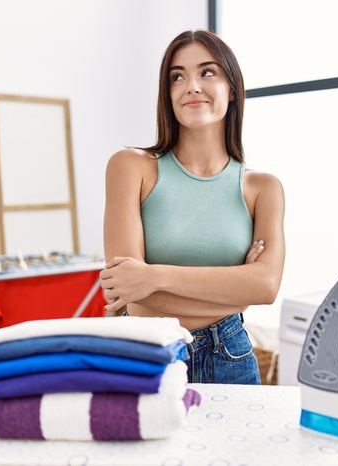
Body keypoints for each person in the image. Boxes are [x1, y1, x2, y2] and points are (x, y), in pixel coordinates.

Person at [99, 29, 285, 385]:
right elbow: (124, 287)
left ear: (232, 89)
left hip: (231, 357)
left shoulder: (263, 188)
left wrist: (153, 276)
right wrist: (234, 296)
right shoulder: (130, 167)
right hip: (147, 354)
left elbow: (265, 287)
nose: (192, 86)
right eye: (177, 76)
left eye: (207, 72)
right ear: (167, 94)